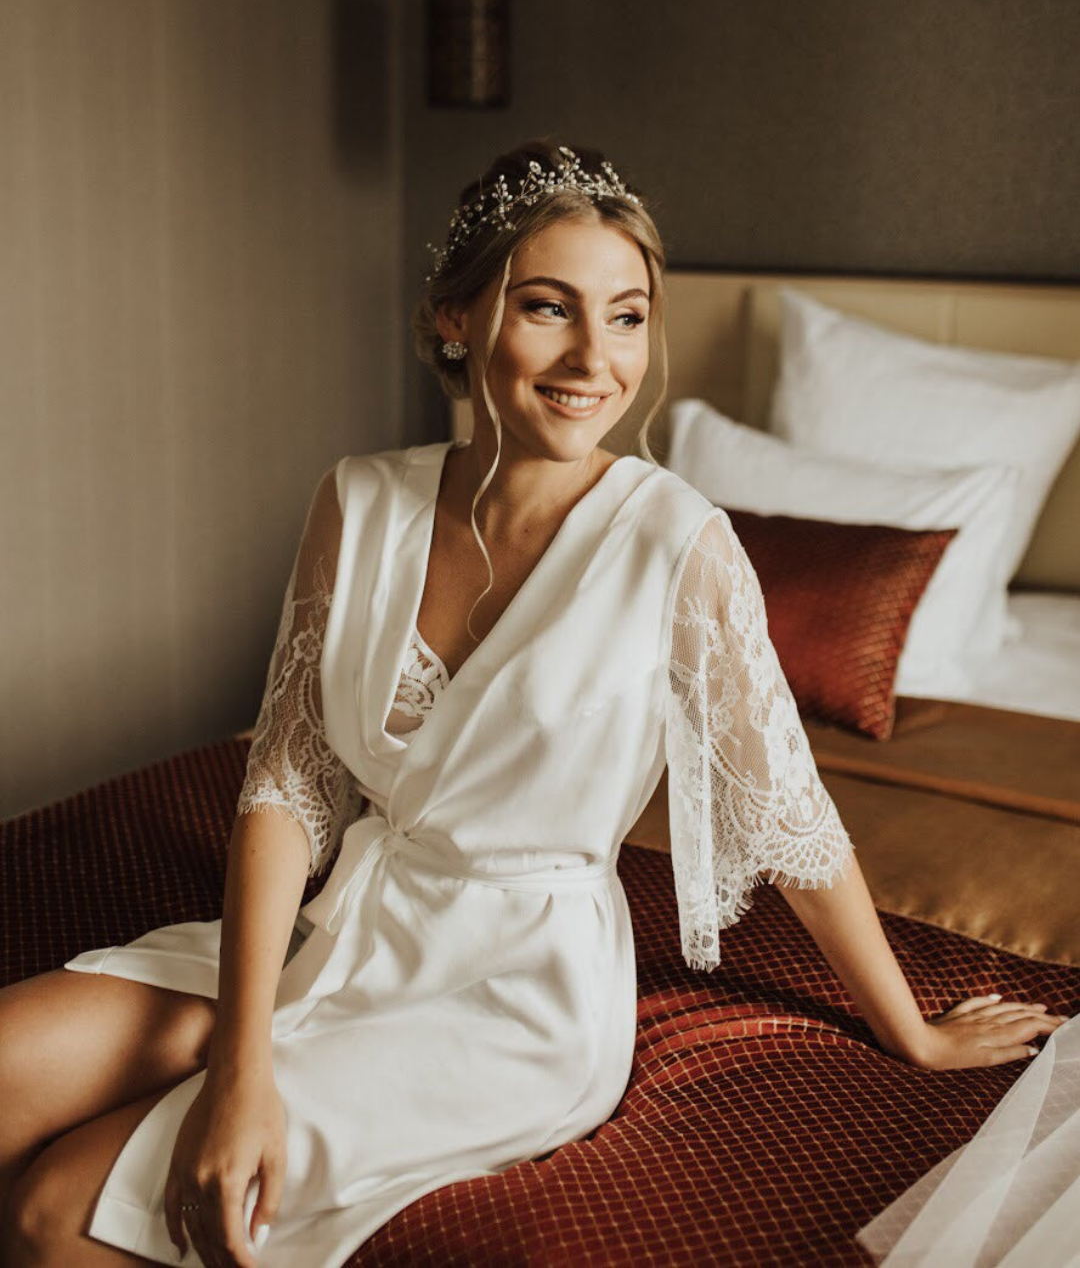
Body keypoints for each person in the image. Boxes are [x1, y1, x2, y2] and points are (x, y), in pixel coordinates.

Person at [0, 138, 1067, 1268]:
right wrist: (244, 1057)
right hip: (348, 918)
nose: (594, 359)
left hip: (513, 988)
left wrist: (910, 1030)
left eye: (627, 316)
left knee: (55, 1205)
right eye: (549, 308)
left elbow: (787, 817)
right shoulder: (358, 502)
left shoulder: (677, 542)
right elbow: (288, 786)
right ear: (458, 318)